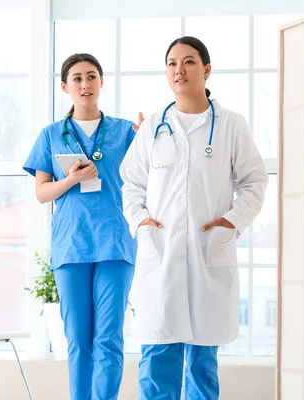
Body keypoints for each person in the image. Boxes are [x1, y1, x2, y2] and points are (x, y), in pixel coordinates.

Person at [119, 36, 268, 400]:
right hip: (162, 256)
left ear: (206, 69)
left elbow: (254, 181)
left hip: (207, 254)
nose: (179, 69)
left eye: (188, 61)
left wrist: (232, 222)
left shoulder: (232, 124)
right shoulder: (154, 126)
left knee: (202, 365)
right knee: (157, 360)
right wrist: (139, 222)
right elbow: (131, 184)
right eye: (171, 63)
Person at [23, 53, 138, 400]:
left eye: (91, 77)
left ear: (102, 82)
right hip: (71, 246)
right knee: (78, 338)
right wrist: (70, 180)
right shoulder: (51, 135)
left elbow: (151, 178)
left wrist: (151, 137)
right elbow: (43, 193)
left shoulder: (125, 132)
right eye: (77, 78)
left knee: (109, 337)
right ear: (64, 86)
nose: (85, 84)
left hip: (115, 244)